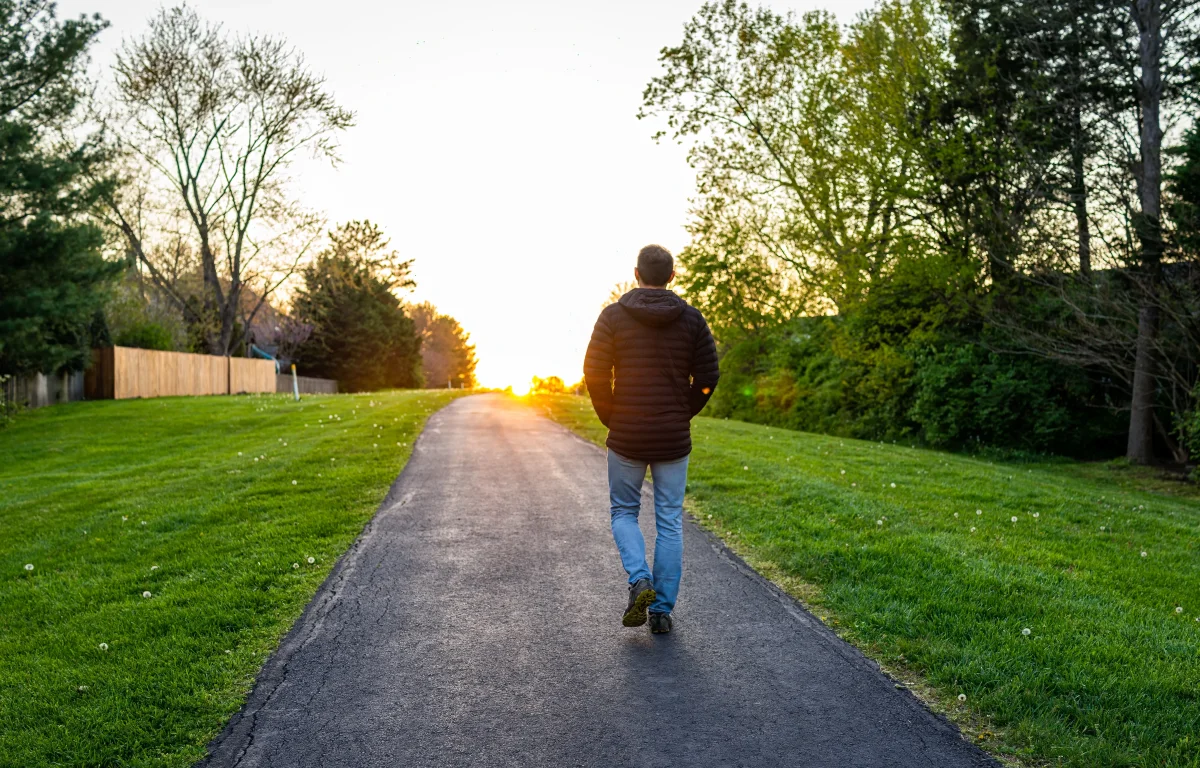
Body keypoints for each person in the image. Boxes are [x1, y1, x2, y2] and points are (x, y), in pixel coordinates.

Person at [583, 244, 719, 634]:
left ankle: (639, 578)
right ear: (672, 276)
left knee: (624, 511)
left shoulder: (613, 316)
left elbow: (594, 372)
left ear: (636, 274)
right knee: (670, 520)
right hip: (672, 438)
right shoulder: (692, 319)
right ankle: (660, 611)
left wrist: (611, 415)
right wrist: (683, 411)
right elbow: (708, 379)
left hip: (627, 433)